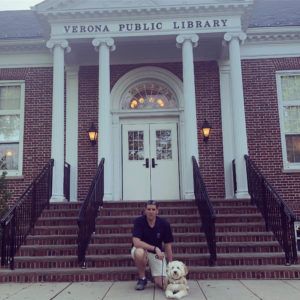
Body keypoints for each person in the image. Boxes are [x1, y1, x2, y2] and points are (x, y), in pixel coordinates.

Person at [131, 200, 174, 291]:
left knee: (163, 284)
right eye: (149, 209)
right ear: (145, 210)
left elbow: (168, 246)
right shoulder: (139, 221)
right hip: (142, 250)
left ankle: (153, 276)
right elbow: (136, 242)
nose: (151, 211)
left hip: (156, 254)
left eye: (153, 209)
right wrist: (155, 248)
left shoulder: (164, 224)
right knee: (139, 252)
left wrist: (171, 265)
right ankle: (142, 279)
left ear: (157, 211)